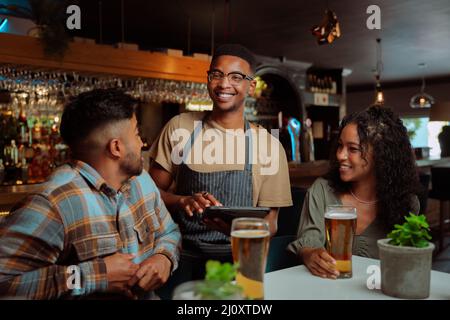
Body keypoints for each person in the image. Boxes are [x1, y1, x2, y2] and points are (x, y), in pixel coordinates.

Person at [0, 89, 181, 299]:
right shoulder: (53, 203)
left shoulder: (142, 181)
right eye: (137, 133)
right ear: (116, 147)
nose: (142, 143)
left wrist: (163, 257)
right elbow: (5, 284)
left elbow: (170, 232)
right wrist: (92, 276)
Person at [149, 44, 292, 290]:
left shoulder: (269, 146)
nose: (224, 84)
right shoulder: (180, 128)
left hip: (240, 264)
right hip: (182, 260)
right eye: (217, 74)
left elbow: (271, 225)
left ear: (251, 86)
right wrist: (182, 201)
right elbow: (147, 196)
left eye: (236, 77)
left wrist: (238, 229)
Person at [288, 105, 420, 279]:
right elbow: (309, 239)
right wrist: (310, 253)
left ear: (381, 155)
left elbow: (406, 267)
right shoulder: (322, 189)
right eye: (340, 146)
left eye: (353, 149)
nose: (340, 155)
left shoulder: (406, 203)